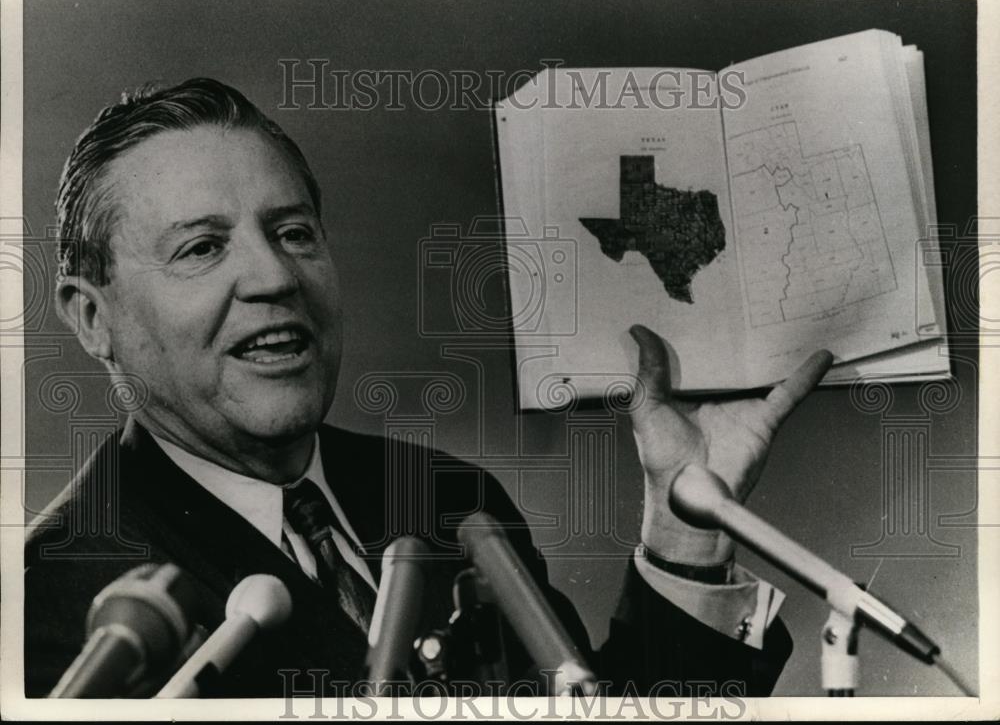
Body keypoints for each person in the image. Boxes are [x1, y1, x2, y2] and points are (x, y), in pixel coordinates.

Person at [24, 78, 832, 698]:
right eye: (201, 248)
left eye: (294, 232)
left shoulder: (447, 499)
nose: (274, 275)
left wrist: (686, 526)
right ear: (92, 316)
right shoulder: (55, 595)